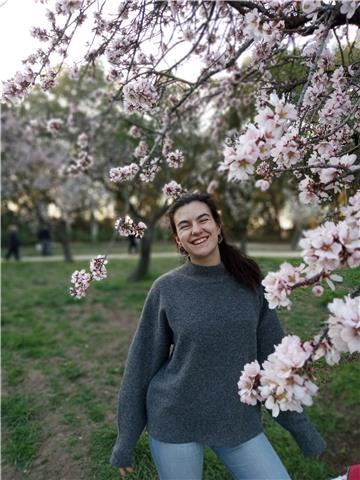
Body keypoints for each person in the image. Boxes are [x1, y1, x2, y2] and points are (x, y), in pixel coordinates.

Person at [110, 192, 327, 479]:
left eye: (203, 220)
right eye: (185, 225)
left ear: (218, 226)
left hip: (236, 421)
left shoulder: (250, 283)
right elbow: (141, 364)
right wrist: (126, 440)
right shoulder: (167, 289)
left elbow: (274, 363)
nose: (196, 229)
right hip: (176, 417)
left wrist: (302, 430)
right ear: (178, 240)